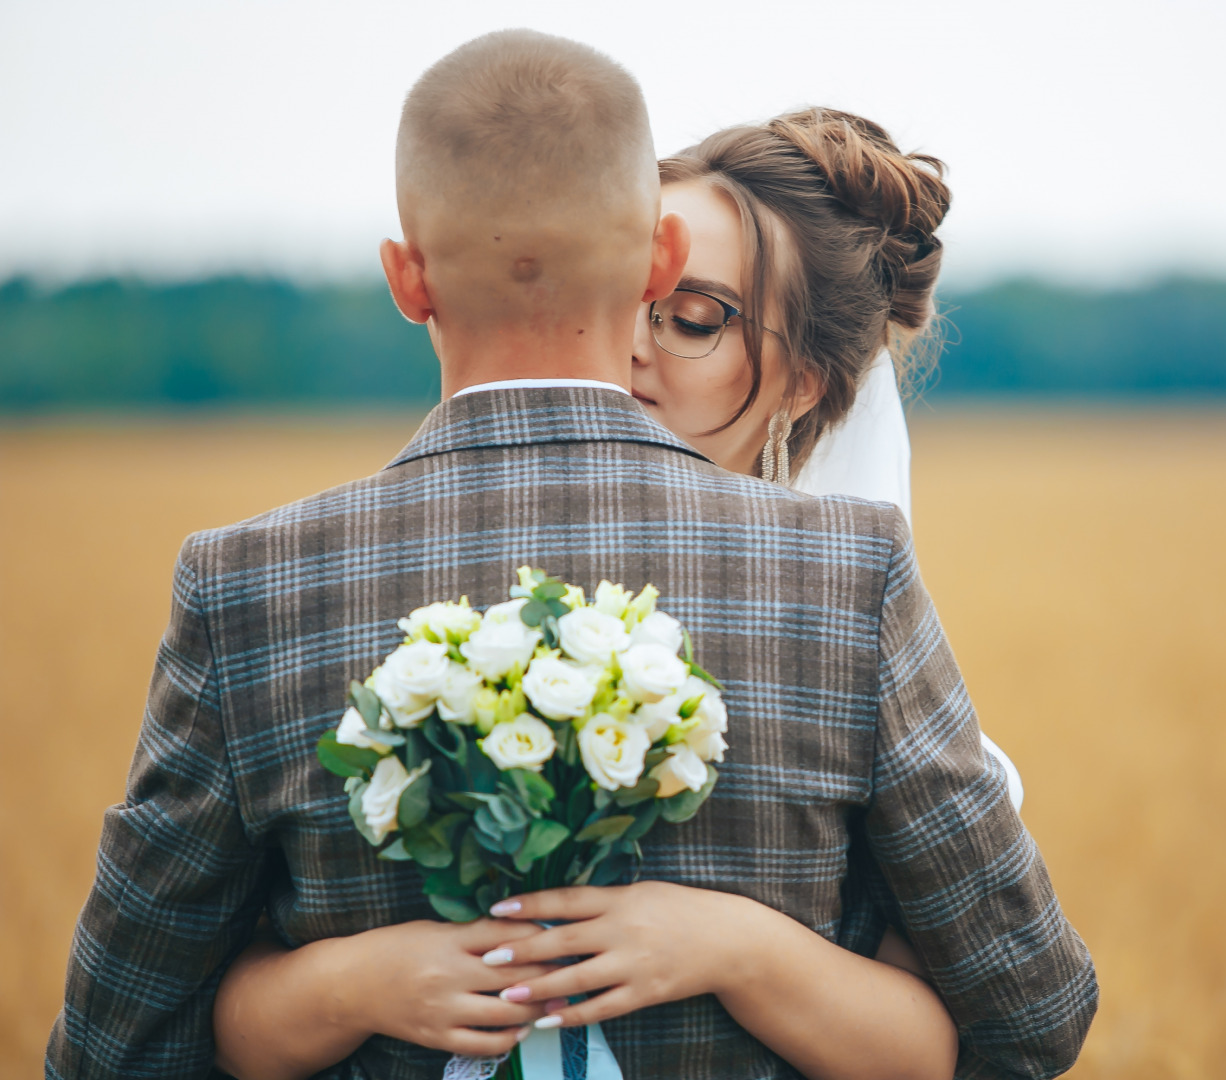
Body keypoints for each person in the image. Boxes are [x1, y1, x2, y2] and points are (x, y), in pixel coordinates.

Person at [50, 30, 1095, 1080]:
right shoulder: (846, 580)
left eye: (692, 321)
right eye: (652, 304)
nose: (635, 343)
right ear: (642, 256)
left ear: (408, 282)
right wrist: (342, 985)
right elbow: (1034, 1016)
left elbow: (114, 1043)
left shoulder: (251, 583)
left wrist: (739, 947)